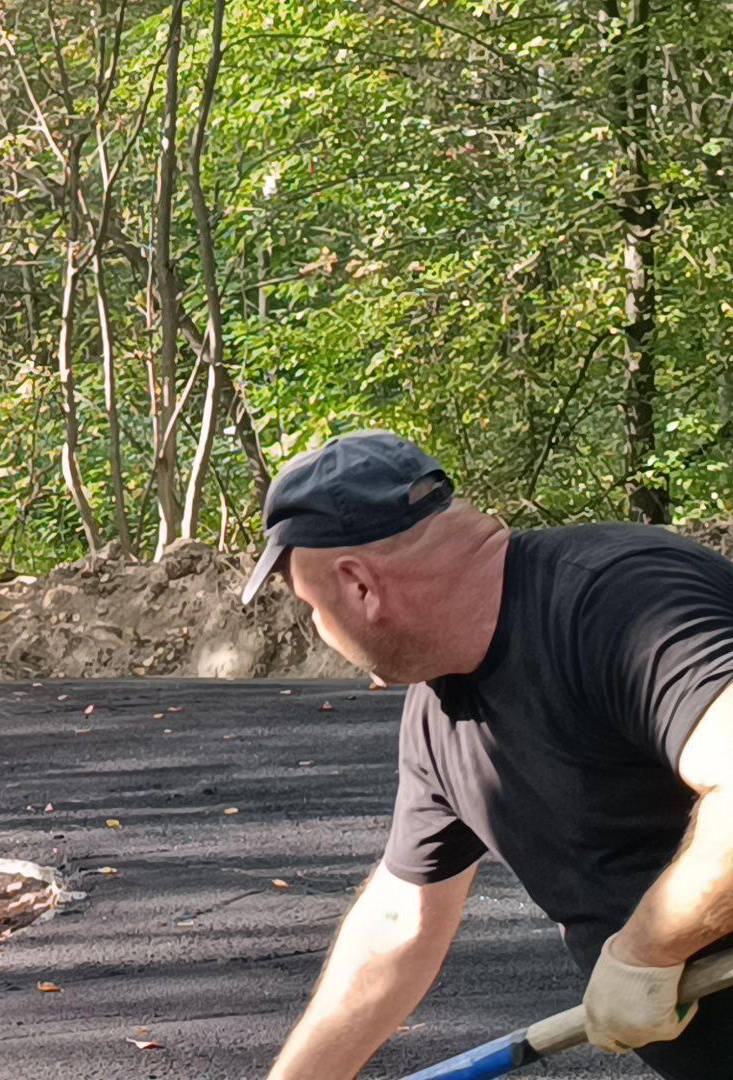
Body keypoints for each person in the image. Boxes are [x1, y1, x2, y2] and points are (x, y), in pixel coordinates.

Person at [245, 431, 733, 1080]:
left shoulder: (616, 603)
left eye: (311, 607)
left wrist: (647, 951)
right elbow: (399, 926)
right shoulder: (438, 715)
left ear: (359, 584)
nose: (316, 627)